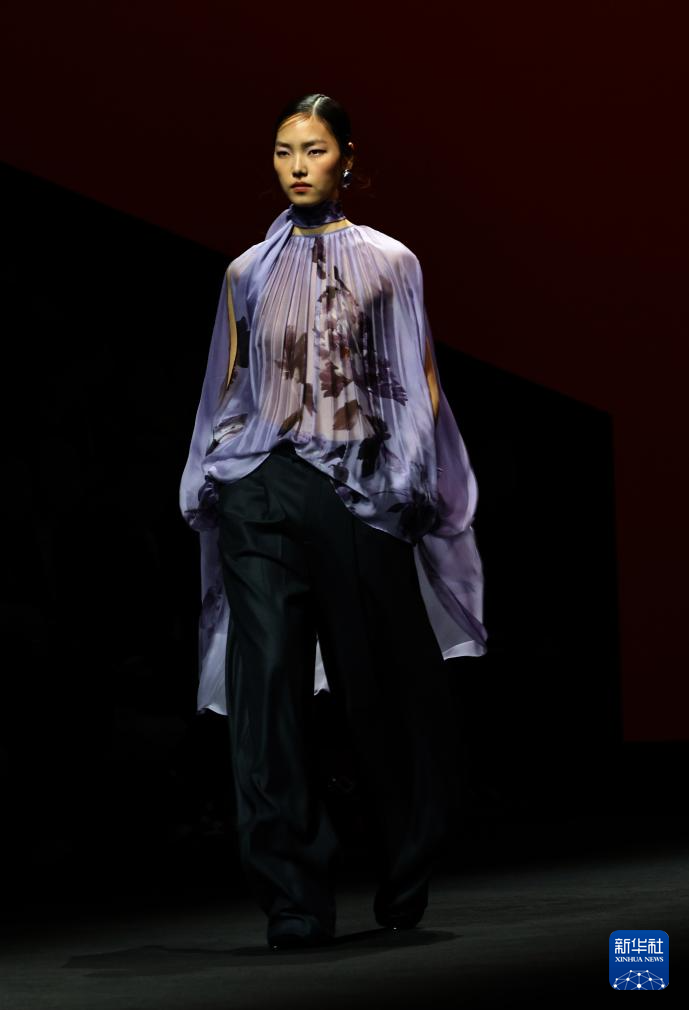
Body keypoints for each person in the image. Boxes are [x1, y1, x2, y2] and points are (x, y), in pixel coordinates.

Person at [179, 93, 487, 951]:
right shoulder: (244, 271)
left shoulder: (390, 261)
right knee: (265, 688)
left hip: (357, 488)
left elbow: (417, 380)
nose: (297, 166)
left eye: (313, 150)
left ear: (348, 158)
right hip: (260, 485)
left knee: (376, 688)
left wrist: (408, 478)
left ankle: (403, 865)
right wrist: (212, 469)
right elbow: (228, 380)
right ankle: (291, 897)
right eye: (283, 151)